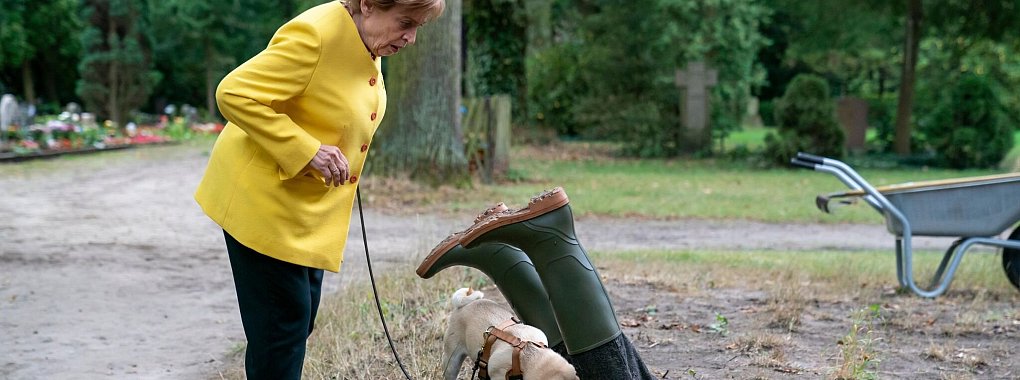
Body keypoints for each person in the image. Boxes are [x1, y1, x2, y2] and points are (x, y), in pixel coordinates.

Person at [194, 0, 445, 378]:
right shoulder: (315, 36)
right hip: (260, 202)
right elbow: (234, 93)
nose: (410, 37)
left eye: (418, 27)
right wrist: (306, 150)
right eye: (405, 23)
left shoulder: (366, 38)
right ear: (368, 5)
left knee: (295, 321)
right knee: (283, 326)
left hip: (303, 207)